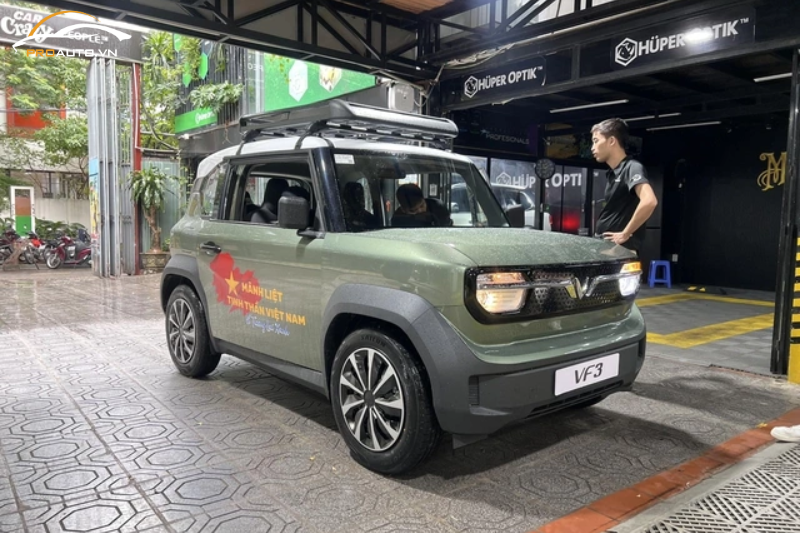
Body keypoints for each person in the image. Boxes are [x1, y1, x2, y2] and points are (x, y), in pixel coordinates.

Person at [591, 118, 658, 255]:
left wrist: (625, 233)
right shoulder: (612, 173)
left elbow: (650, 201)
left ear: (611, 141)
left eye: (596, 141)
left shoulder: (632, 167)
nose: (592, 147)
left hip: (619, 250)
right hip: (605, 246)